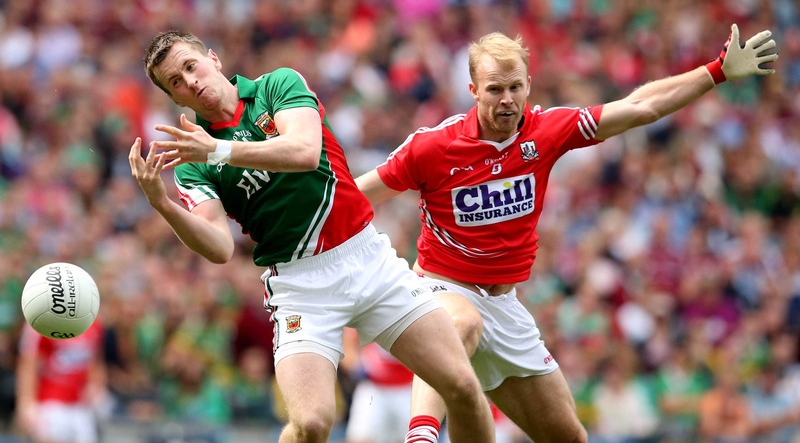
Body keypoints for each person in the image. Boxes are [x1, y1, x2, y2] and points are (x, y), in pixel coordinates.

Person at [355, 24, 777, 443]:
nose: (507, 100)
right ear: (473, 90)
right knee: (459, 324)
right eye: (494, 89)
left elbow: (640, 107)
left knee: (570, 437)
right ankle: (422, 436)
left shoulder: (546, 130)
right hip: (442, 287)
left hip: (506, 306)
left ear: (528, 85)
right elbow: (356, 197)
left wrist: (717, 71)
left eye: (515, 88)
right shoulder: (432, 147)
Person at [129, 30, 495, 443]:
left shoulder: (276, 85)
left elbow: (304, 152)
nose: (190, 81)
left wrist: (219, 149)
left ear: (213, 59)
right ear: (175, 99)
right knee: (311, 424)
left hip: (366, 256)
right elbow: (219, 247)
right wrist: (162, 202)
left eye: (190, 66)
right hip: (300, 283)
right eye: (176, 82)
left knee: (462, 386)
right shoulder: (193, 163)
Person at [15, 320, 106, 443]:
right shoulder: (41, 320)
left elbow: (95, 359)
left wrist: (96, 385)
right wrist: (26, 402)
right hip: (49, 404)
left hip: (81, 406)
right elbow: (29, 362)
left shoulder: (94, 323)